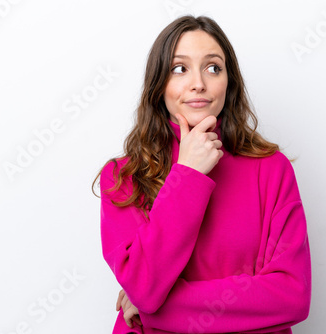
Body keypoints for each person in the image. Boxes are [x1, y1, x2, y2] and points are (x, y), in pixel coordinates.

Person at [92, 14, 311, 334]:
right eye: (179, 68)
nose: (199, 83)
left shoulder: (271, 168)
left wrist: (153, 310)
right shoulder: (122, 177)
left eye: (213, 67)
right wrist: (188, 174)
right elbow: (144, 287)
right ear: (159, 84)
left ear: (229, 82)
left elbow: (292, 297)